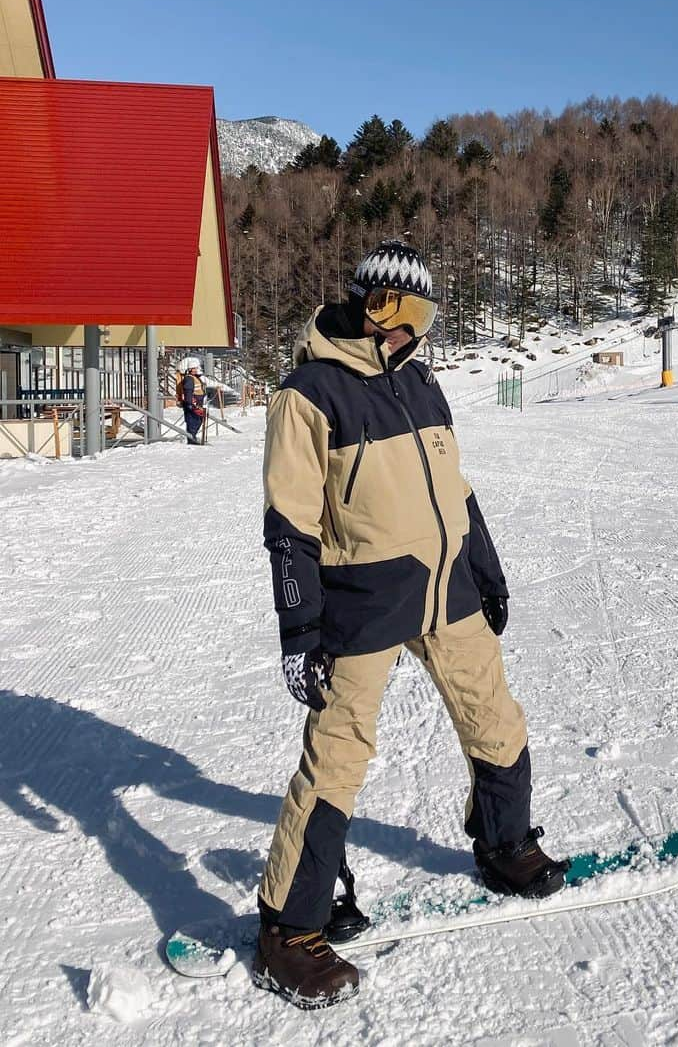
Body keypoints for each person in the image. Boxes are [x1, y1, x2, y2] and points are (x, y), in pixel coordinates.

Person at [254, 239, 566, 1010]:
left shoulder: (423, 384)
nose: (416, 328)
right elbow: (289, 525)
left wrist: (485, 570)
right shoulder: (310, 393)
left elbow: (455, 492)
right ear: (372, 304)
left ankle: (504, 846)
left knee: (496, 721)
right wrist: (300, 632)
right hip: (359, 601)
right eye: (406, 310)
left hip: (447, 591)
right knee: (337, 761)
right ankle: (287, 933)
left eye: (427, 312)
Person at [176, 356, 206, 443]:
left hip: (198, 403)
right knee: (193, 423)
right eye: (195, 368)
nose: (197, 369)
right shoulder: (189, 378)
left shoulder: (196, 377)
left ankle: (193, 438)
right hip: (193, 404)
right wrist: (190, 403)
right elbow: (188, 391)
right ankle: (191, 440)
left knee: (198, 421)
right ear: (191, 369)